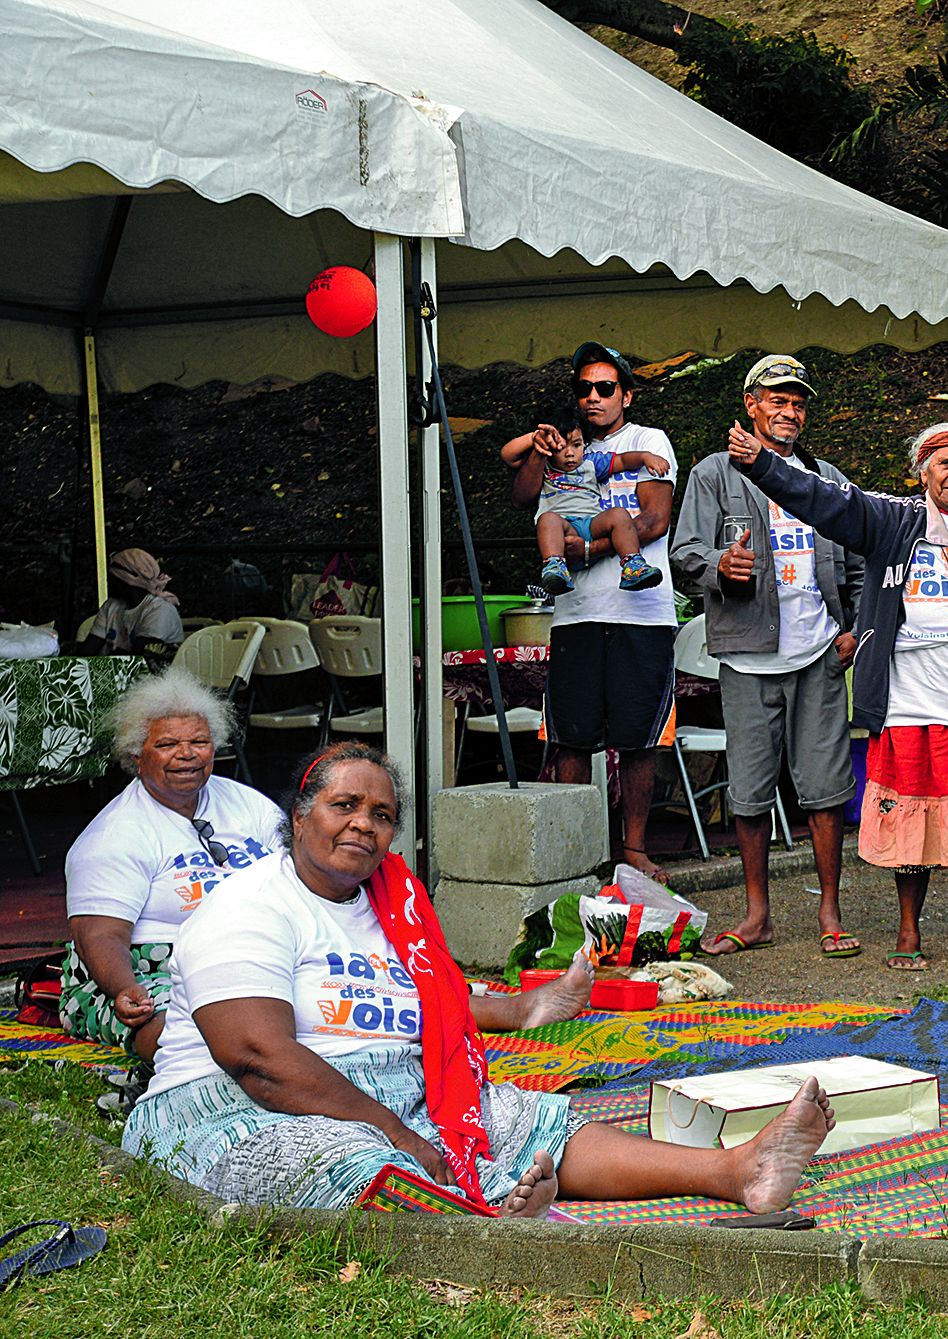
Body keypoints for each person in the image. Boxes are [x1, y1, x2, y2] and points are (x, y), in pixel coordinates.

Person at [122, 743, 834, 1214]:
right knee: (349, 1156)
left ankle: (736, 1169)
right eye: (344, 806)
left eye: (382, 815)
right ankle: (492, 1209)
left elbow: (436, 1014)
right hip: (231, 1107)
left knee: (527, 1118)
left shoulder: (393, 909)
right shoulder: (246, 904)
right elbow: (259, 1058)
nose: (364, 825)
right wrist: (400, 1131)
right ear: (300, 814)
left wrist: (428, 1111)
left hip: (384, 1089)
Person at [725, 421, 948, 970]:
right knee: (912, 821)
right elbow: (825, 501)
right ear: (924, 472)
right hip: (912, 704)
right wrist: (762, 465)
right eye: (945, 463)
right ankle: (907, 933)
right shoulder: (892, 521)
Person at [670, 354, 865, 957]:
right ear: (751, 405)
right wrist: (717, 567)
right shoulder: (715, 473)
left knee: (826, 788)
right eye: (777, 400)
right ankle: (758, 916)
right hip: (748, 655)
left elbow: (857, 559)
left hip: (817, 653)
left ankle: (830, 913)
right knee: (751, 791)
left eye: (798, 402)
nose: (789, 412)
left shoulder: (824, 476)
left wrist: (853, 628)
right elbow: (683, 554)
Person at [508, 343, 679, 882]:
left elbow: (654, 519)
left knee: (638, 738)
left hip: (641, 611)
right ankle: (577, 849)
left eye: (605, 388)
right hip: (576, 612)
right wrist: (538, 450)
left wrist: (590, 550)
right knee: (571, 737)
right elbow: (522, 498)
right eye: (584, 388)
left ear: (626, 394)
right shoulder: (559, 444)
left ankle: (633, 850)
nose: (593, 397)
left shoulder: (647, 442)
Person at [62, 669, 283, 1067]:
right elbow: (98, 934)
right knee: (186, 1030)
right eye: (166, 744)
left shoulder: (250, 806)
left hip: (249, 953)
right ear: (136, 755)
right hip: (145, 968)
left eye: (199, 742)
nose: (187, 754)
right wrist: (124, 988)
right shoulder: (113, 836)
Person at [500, 405, 669, 596]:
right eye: (561, 447)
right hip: (563, 532)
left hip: (591, 526)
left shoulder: (591, 463)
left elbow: (622, 461)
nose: (570, 453)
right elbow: (508, 454)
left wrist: (646, 457)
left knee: (619, 514)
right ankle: (555, 566)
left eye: (576, 445)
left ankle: (633, 565)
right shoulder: (543, 467)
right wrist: (534, 438)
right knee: (547, 519)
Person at [79, 548, 185, 659]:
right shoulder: (111, 606)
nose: (107, 581)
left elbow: (137, 659)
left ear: (127, 581)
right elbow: (89, 650)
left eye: (113, 577)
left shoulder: (161, 610)